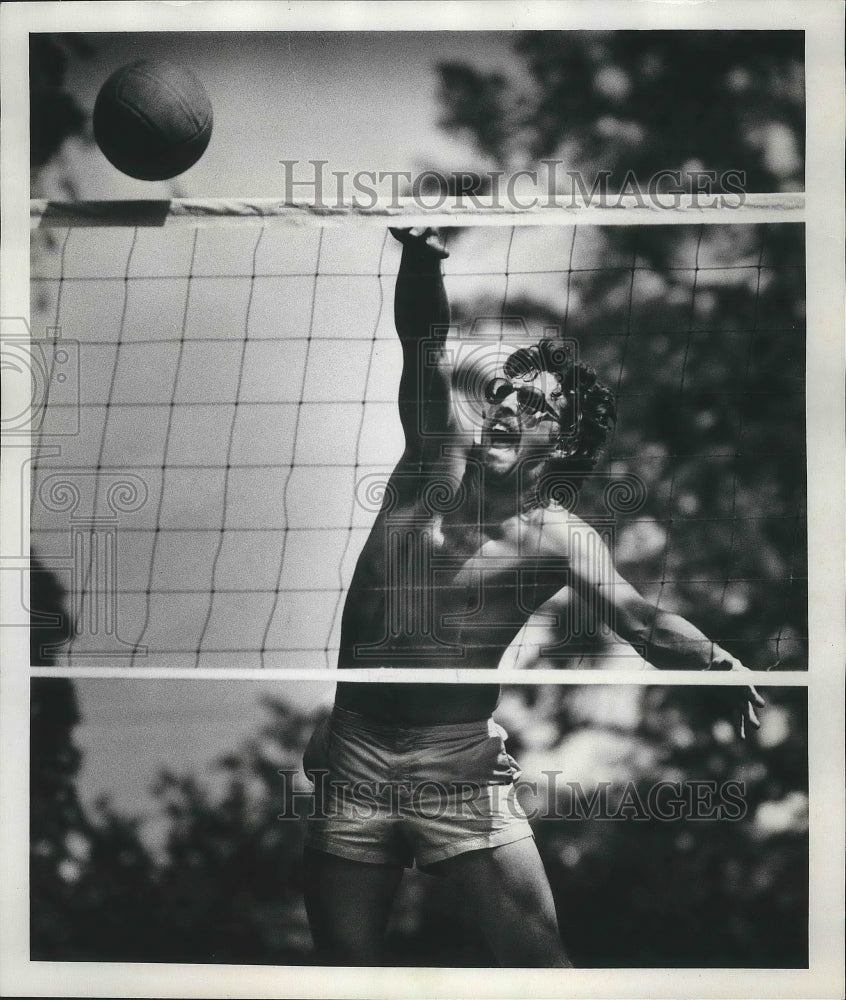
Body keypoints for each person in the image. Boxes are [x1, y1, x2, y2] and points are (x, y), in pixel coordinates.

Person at [301, 227, 764, 967]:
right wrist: (422, 261)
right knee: (343, 978)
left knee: (544, 972)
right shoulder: (432, 460)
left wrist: (716, 661)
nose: (508, 404)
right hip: (354, 747)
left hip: (457, 768)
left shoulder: (561, 538)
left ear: (566, 444)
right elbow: (423, 343)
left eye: (536, 404)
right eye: (506, 391)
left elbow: (640, 619)